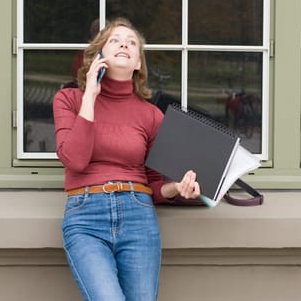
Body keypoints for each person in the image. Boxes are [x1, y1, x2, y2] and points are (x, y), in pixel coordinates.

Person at [53, 17, 200, 301]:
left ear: (138, 64)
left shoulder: (152, 115)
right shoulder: (69, 100)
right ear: (99, 55)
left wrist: (177, 188)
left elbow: (155, 184)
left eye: (132, 42)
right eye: (115, 40)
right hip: (86, 218)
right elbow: (75, 160)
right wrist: (90, 97)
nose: (124, 44)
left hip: (139, 217)